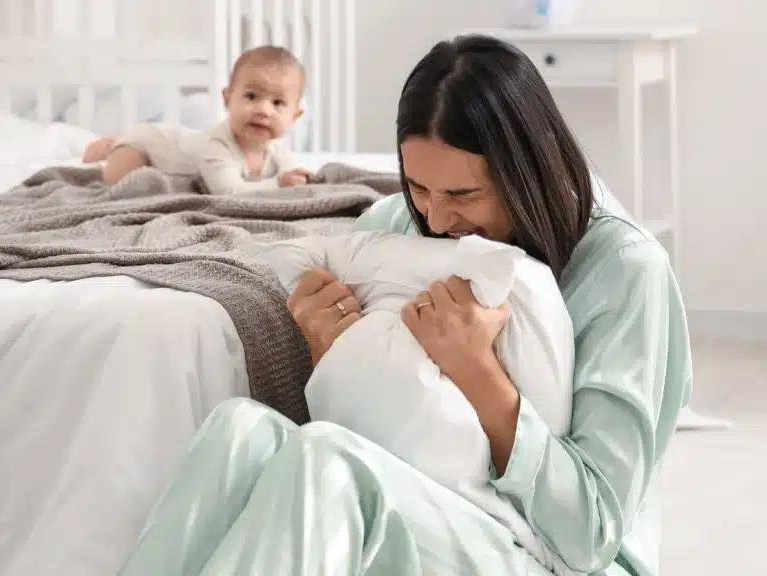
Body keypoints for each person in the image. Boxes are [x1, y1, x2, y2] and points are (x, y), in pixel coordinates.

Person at [117, 34, 692, 576]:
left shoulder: (623, 270)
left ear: (528, 173)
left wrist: (478, 371)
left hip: (558, 555)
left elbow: (591, 535)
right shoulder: (398, 228)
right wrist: (333, 347)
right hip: (425, 508)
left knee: (329, 464)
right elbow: (377, 419)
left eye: (463, 194)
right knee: (238, 430)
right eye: (418, 188)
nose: (437, 221)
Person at [81, 45, 313, 194]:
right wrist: (278, 185)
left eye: (277, 103)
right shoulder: (217, 145)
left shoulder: (277, 149)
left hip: (175, 142)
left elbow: (294, 175)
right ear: (227, 99)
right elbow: (229, 192)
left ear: (295, 116)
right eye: (251, 96)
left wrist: (298, 178)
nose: (263, 110)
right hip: (146, 148)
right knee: (120, 184)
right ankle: (115, 144)